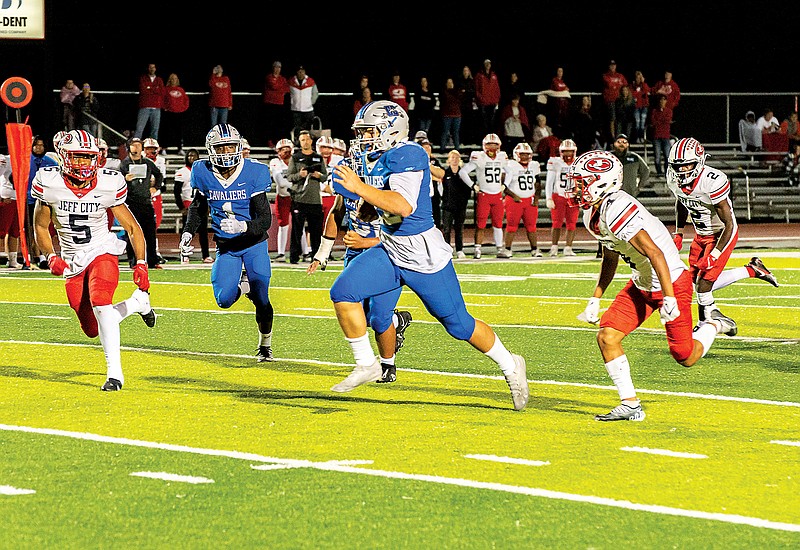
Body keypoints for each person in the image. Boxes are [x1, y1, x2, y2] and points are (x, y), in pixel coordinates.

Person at [327, 100, 529, 410]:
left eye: (369, 131)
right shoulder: (376, 158)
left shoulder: (408, 153)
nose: (363, 138)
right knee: (343, 291)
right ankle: (367, 363)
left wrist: (360, 188)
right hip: (391, 249)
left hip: (423, 256)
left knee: (459, 325)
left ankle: (511, 365)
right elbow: (379, 203)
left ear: (389, 130)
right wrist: (366, 205)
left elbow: (403, 205)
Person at [569, 149, 733, 421]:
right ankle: (630, 404)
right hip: (643, 283)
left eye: (581, 182)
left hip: (671, 280)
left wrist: (669, 297)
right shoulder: (592, 215)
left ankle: (714, 323)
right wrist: (595, 297)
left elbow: (655, 253)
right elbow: (610, 255)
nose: (575, 188)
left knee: (685, 356)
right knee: (607, 336)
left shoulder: (618, 206)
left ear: (601, 182)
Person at [32, 130, 156, 391]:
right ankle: (137, 302)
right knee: (91, 328)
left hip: (102, 250)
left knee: (101, 302)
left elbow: (133, 228)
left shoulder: (108, 182)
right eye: (77, 158)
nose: (83, 164)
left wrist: (141, 263)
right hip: (72, 258)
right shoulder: (49, 182)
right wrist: (51, 256)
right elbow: (41, 227)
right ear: (64, 158)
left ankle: (115, 374)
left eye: (88, 158)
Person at [179, 123, 276, 362]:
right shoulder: (202, 171)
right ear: (211, 150)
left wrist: (244, 226)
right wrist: (188, 232)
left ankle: (265, 345)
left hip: (253, 243)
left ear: (239, 146)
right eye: (220, 148)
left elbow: (265, 218)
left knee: (262, 297)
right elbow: (198, 208)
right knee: (223, 300)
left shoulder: (254, 171)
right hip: (227, 246)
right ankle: (244, 287)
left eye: (230, 147)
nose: (225, 153)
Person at [307, 171, 413, 384]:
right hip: (355, 255)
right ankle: (397, 321)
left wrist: (366, 242)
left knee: (379, 316)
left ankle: (387, 364)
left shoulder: (389, 184)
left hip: (387, 254)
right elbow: (336, 213)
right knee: (359, 317)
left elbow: (402, 234)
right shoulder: (348, 180)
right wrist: (323, 251)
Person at [666, 137, 779, 332]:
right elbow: (681, 201)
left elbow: (729, 224)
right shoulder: (673, 178)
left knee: (703, 284)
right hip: (701, 234)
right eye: (679, 166)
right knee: (697, 282)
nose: (683, 171)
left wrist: (715, 254)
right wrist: (679, 232)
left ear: (700, 162)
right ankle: (752, 270)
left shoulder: (712, 181)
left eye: (688, 165)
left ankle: (704, 324)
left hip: (721, 234)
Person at [458, 133, 509, 258]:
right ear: (484, 146)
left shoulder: (501, 157)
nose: (492, 147)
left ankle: (499, 249)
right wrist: (472, 185)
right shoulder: (479, 157)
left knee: (498, 224)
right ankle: (477, 249)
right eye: (489, 144)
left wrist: (505, 185)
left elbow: (510, 172)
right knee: (481, 224)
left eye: (494, 144)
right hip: (484, 195)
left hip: (497, 194)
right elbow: (463, 172)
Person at [118, 137, 162, 269]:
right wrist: (124, 179)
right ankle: (133, 261)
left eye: (138, 145)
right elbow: (117, 181)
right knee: (131, 231)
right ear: (129, 148)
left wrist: (156, 187)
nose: (136, 148)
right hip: (131, 203)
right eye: (134, 145)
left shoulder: (147, 163)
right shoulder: (124, 164)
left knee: (150, 232)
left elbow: (158, 175)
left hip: (146, 202)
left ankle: (153, 261)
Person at [286, 130, 327, 264]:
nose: (305, 142)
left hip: (315, 200)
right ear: (300, 142)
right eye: (302, 140)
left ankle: (316, 257)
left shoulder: (318, 158)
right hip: (299, 199)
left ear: (311, 141)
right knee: (297, 231)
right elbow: (289, 176)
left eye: (307, 139)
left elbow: (325, 176)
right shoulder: (295, 157)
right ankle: (294, 257)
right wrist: (300, 175)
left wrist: (318, 176)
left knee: (316, 231)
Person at [499, 142, 542, 258]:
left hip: (529, 199)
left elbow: (538, 183)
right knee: (511, 226)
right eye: (522, 154)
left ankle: (535, 249)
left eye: (527, 154)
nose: (525, 157)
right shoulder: (510, 165)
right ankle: (507, 249)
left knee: (532, 226)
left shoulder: (534, 165)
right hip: (514, 200)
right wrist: (514, 196)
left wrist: (536, 198)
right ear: (516, 154)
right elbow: (503, 185)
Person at [26, 135, 60, 269]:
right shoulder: (25, 160)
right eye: (36, 145)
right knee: (30, 230)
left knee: (44, 228)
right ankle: (32, 256)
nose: (38, 148)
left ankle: (43, 257)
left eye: (41, 145)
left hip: (45, 199)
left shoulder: (50, 161)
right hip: (28, 200)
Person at [173, 149, 210, 263]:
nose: (191, 158)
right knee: (186, 230)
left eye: (194, 155)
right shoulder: (182, 172)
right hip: (188, 203)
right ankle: (184, 254)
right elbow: (176, 191)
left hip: (200, 203)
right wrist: (181, 207)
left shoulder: (203, 171)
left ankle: (206, 255)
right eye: (189, 156)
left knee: (203, 231)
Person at [545, 138, 579, 257]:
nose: (568, 154)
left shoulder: (579, 163)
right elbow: (549, 182)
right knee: (556, 223)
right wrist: (548, 198)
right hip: (558, 195)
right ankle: (554, 247)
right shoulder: (555, 162)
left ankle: (568, 247)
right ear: (560, 152)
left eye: (570, 151)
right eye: (565, 151)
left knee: (572, 224)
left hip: (573, 196)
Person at [268, 138, 294, 262]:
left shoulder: (297, 161)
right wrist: (294, 185)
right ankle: (281, 253)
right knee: (283, 225)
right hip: (283, 197)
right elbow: (280, 182)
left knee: (299, 225)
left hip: (297, 197)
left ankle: (305, 252)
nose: (285, 152)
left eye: (287, 150)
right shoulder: (275, 162)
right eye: (282, 150)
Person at [441, 149, 470, 258]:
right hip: (448, 206)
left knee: (459, 228)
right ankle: (447, 249)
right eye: (452, 158)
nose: (455, 160)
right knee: (447, 229)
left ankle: (459, 249)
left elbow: (468, 189)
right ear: (448, 160)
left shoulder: (463, 174)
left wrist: (463, 202)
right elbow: (441, 189)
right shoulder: (445, 173)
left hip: (460, 206)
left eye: (457, 158)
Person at [262, 61, 290, 147]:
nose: (277, 69)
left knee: (278, 124)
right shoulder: (269, 77)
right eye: (276, 67)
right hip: (269, 104)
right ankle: (269, 141)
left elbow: (287, 89)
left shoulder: (283, 79)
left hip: (279, 104)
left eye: (279, 67)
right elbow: (274, 86)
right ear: (273, 68)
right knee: (269, 123)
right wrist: (280, 88)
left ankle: (277, 140)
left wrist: (280, 88)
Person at [601, 60, 629, 145]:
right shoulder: (605, 75)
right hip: (610, 100)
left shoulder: (620, 76)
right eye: (611, 65)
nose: (613, 67)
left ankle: (621, 135)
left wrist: (615, 86)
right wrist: (617, 86)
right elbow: (609, 85)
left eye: (614, 65)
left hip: (619, 101)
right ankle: (613, 136)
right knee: (612, 119)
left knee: (620, 119)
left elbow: (625, 85)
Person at [135, 63, 164, 140]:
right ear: (148, 68)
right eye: (150, 67)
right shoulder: (143, 78)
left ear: (155, 69)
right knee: (139, 129)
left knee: (155, 130)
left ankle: (152, 149)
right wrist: (155, 89)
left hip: (156, 107)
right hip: (145, 107)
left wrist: (150, 88)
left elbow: (161, 91)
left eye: (153, 67)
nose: (152, 69)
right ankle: (135, 148)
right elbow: (143, 90)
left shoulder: (159, 80)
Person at [162, 73, 190, 153]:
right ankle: (164, 148)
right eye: (172, 78)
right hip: (169, 113)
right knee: (167, 131)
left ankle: (180, 149)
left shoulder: (181, 90)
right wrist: (165, 108)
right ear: (170, 80)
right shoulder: (166, 89)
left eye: (175, 78)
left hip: (179, 113)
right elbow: (162, 100)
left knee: (179, 132)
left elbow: (186, 100)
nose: (174, 80)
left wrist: (183, 108)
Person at [288, 66, 318, 136]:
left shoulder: (311, 81)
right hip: (295, 110)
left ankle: (307, 145)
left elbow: (315, 93)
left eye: (302, 71)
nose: (301, 73)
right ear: (296, 72)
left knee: (307, 130)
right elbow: (286, 93)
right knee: (296, 129)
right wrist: (291, 102)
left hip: (308, 110)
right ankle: (296, 143)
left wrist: (310, 103)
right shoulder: (291, 81)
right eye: (299, 71)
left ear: (305, 72)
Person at [474, 59, 501, 136]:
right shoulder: (479, 75)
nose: (488, 65)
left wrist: (497, 99)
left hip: (492, 102)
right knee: (483, 122)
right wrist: (480, 98)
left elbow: (497, 88)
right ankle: (483, 138)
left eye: (489, 64)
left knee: (491, 122)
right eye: (486, 64)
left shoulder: (494, 75)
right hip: (483, 103)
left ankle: (491, 138)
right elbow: (476, 89)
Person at [649, 94, 673, 177]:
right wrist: (662, 121)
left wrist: (659, 121)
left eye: (664, 100)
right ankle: (659, 172)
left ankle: (667, 172)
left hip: (666, 136)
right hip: (656, 137)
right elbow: (653, 122)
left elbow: (667, 120)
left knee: (667, 156)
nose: (662, 102)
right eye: (660, 100)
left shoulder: (669, 111)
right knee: (657, 157)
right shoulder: (654, 111)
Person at [457, 65, 478, 146]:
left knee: (470, 124)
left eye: (467, 71)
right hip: (461, 106)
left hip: (469, 106)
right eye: (464, 71)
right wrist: (465, 92)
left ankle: (470, 141)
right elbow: (459, 93)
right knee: (462, 125)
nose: (466, 72)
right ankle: (462, 141)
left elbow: (472, 92)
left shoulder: (472, 81)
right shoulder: (459, 81)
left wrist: (466, 91)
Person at [439, 77, 463, 150]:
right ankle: (442, 148)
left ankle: (457, 148)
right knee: (445, 132)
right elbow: (444, 101)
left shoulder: (457, 92)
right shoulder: (443, 92)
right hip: (447, 115)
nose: (450, 84)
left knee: (456, 133)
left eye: (451, 82)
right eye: (448, 83)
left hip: (457, 115)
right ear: (446, 84)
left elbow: (460, 100)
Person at [549, 67, 570, 135]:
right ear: (556, 72)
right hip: (556, 104)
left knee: (563, 120)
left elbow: (567, 89)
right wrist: (564, 89)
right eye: (559, 71)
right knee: (557, 121)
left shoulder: (562, 82)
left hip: (563, 104)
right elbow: (557, 88)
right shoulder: (554, 80)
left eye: (562, 71)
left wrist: (563, 89)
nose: (560, 73)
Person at [631, 70, 650, 144]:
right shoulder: (632, 86)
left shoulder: (644, 85)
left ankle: (642, 137)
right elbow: (634, 95)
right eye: (637, 78)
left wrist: (643, 82)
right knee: (637, 123)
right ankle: (637, 138)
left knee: (642, 123)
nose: (638, 79)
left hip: (644, 107)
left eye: (640, 78)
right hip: (636, 107)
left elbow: (647, 91)